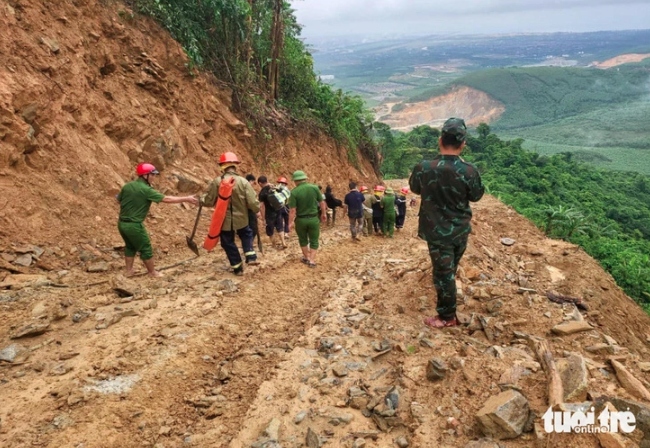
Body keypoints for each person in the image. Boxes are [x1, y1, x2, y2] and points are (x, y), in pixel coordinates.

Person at [409, 117, 484, 328]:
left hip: (435, 232)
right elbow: (476, 196)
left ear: (440, 140)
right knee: (448, 270)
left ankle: (447, 317)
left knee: (443, 274)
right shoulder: (469, 171)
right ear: (463, 144)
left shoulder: (423, 167)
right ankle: (447, 307)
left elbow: (415, 189)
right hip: (460, 230)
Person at [117, 162, 198, 277]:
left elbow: (119, 200)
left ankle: (129, 271)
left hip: (121, 224)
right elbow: (167, 199)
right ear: (145, 176)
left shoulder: (127, 186)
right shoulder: (146, 190)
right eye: (152, 175)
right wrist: (186, 198)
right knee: (146, 247)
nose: (154, 177)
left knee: (130, 246)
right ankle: (152, 272)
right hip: (134, 225)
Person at [202, 152, 260, 275]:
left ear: (222, 166)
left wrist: (200, 200)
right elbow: (253, 202)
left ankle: (237, 268)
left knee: (227, 242)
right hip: (242, 219)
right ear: (235, 165)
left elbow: (208, 201)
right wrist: (256, 209)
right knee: (246, 234)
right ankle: (251, 256)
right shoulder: (243, 182)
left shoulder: (217, 182)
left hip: (224, 221)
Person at [287, 170, 327, 268]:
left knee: (303, 239)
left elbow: (292, 210)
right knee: (314, 240)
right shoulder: (315, 188)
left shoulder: (294, 192)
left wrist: (290, 222)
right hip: (313, 219)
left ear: (295, 181)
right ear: (305, 178)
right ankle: (312, 261)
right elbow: (322, 202)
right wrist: (323, 213)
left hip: (301, 220)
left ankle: (307, 257)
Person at [276, 176, 291, 241]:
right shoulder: (287, 190)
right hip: (284, 206)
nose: (281, 184)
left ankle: (285, 233)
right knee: (284, 220)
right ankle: (285, 233)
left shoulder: (275, 189)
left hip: (281, 207)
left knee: (284, 220)